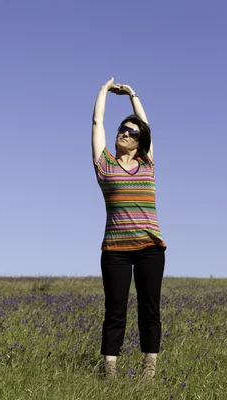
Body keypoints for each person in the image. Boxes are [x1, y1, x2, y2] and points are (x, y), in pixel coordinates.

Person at [91, 77, 167, 379]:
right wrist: (104, 92)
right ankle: (110, 372)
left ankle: (149, 372)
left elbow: (146, 123)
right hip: (115, 251)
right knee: (115, 311)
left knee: (150, 310)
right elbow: (97, 123)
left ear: (140, 143)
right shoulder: (104, 165)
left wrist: (133, 95)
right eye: (122, 128)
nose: (124, 132)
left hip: (150, 248)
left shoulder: (147, 163)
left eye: (131, 131)